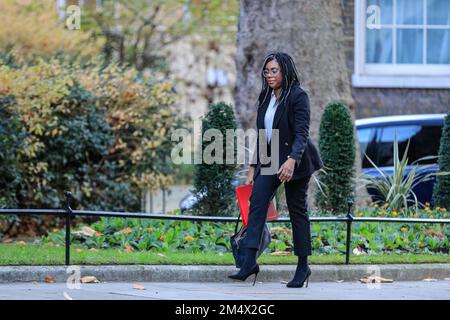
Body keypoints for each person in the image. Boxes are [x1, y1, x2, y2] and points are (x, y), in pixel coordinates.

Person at [228, 52, 323, 288]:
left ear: (285, 71)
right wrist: (252, 168)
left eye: (274, 71)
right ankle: (248, 262)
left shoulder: (298, 97)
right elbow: (262, 135)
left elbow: (302, 133)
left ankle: (303, 267)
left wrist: (291, 161)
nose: (269, 75)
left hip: (296, 161)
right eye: (267, 71)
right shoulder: (266, 97)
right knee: (257, 204)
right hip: (270, 160)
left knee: (297, 211)